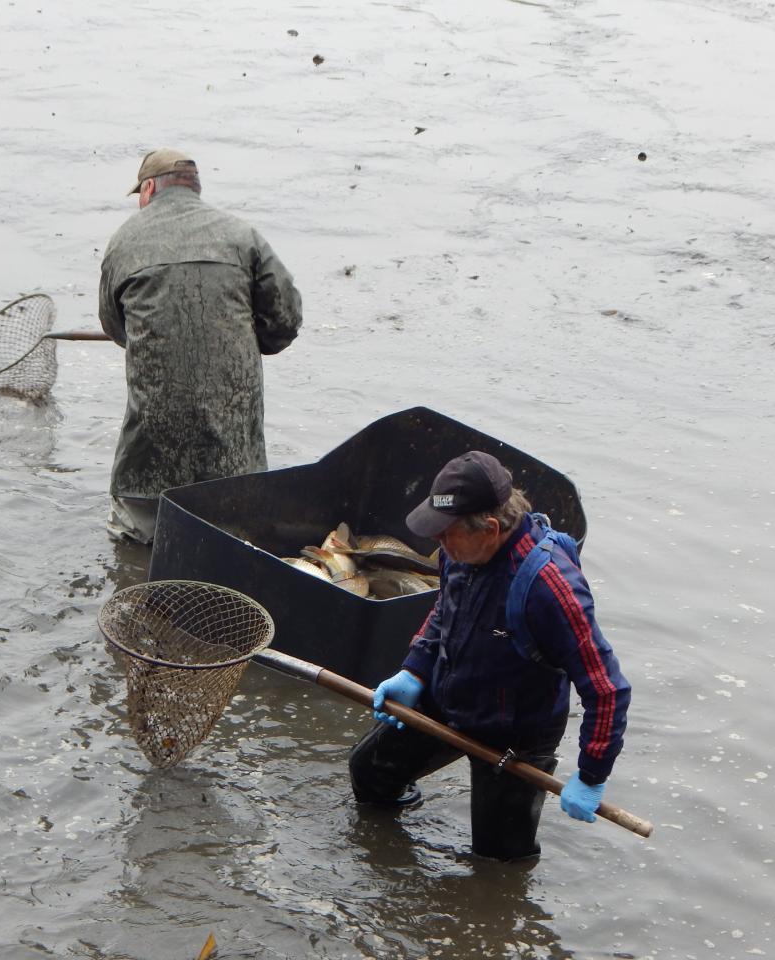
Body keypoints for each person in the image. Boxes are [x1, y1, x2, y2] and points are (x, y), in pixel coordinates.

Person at [348, 450, 631, 862]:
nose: (438, 543)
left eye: (446, 534)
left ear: (490, 529)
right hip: (451, 698)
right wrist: (415, 669)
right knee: (369, 774)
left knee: (499, 859)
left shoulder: (551, 587)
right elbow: (444, 611)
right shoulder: (458, 552)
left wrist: (591, 773)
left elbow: (606, 689)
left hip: (515, 734)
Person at [98, 148, 303, 543]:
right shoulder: (242, 236)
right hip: (233, 457)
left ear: (149, 188)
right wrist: (252, 339)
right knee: (233, 540)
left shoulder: (123, 241)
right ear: (194, 187)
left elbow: (115, 327)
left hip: (149, 458)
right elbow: (285, 320)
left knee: (137, 545)